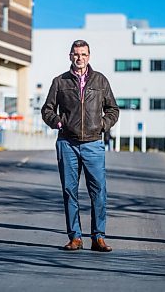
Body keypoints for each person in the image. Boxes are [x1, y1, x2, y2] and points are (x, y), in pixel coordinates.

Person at [41, 39, 119, 252]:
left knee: (99, 191)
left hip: (93, 144)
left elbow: (113, 109)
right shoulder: (60, 82)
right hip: (67, 144)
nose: (79, 58)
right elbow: (47, 109)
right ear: (70, 56)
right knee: (70, 191)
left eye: (83, 54)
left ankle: (98, 237)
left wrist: (102, 125)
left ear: (89, 57)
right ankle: (75, 237)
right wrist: (58, 122)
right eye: (76, 54)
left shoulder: (100, 81)